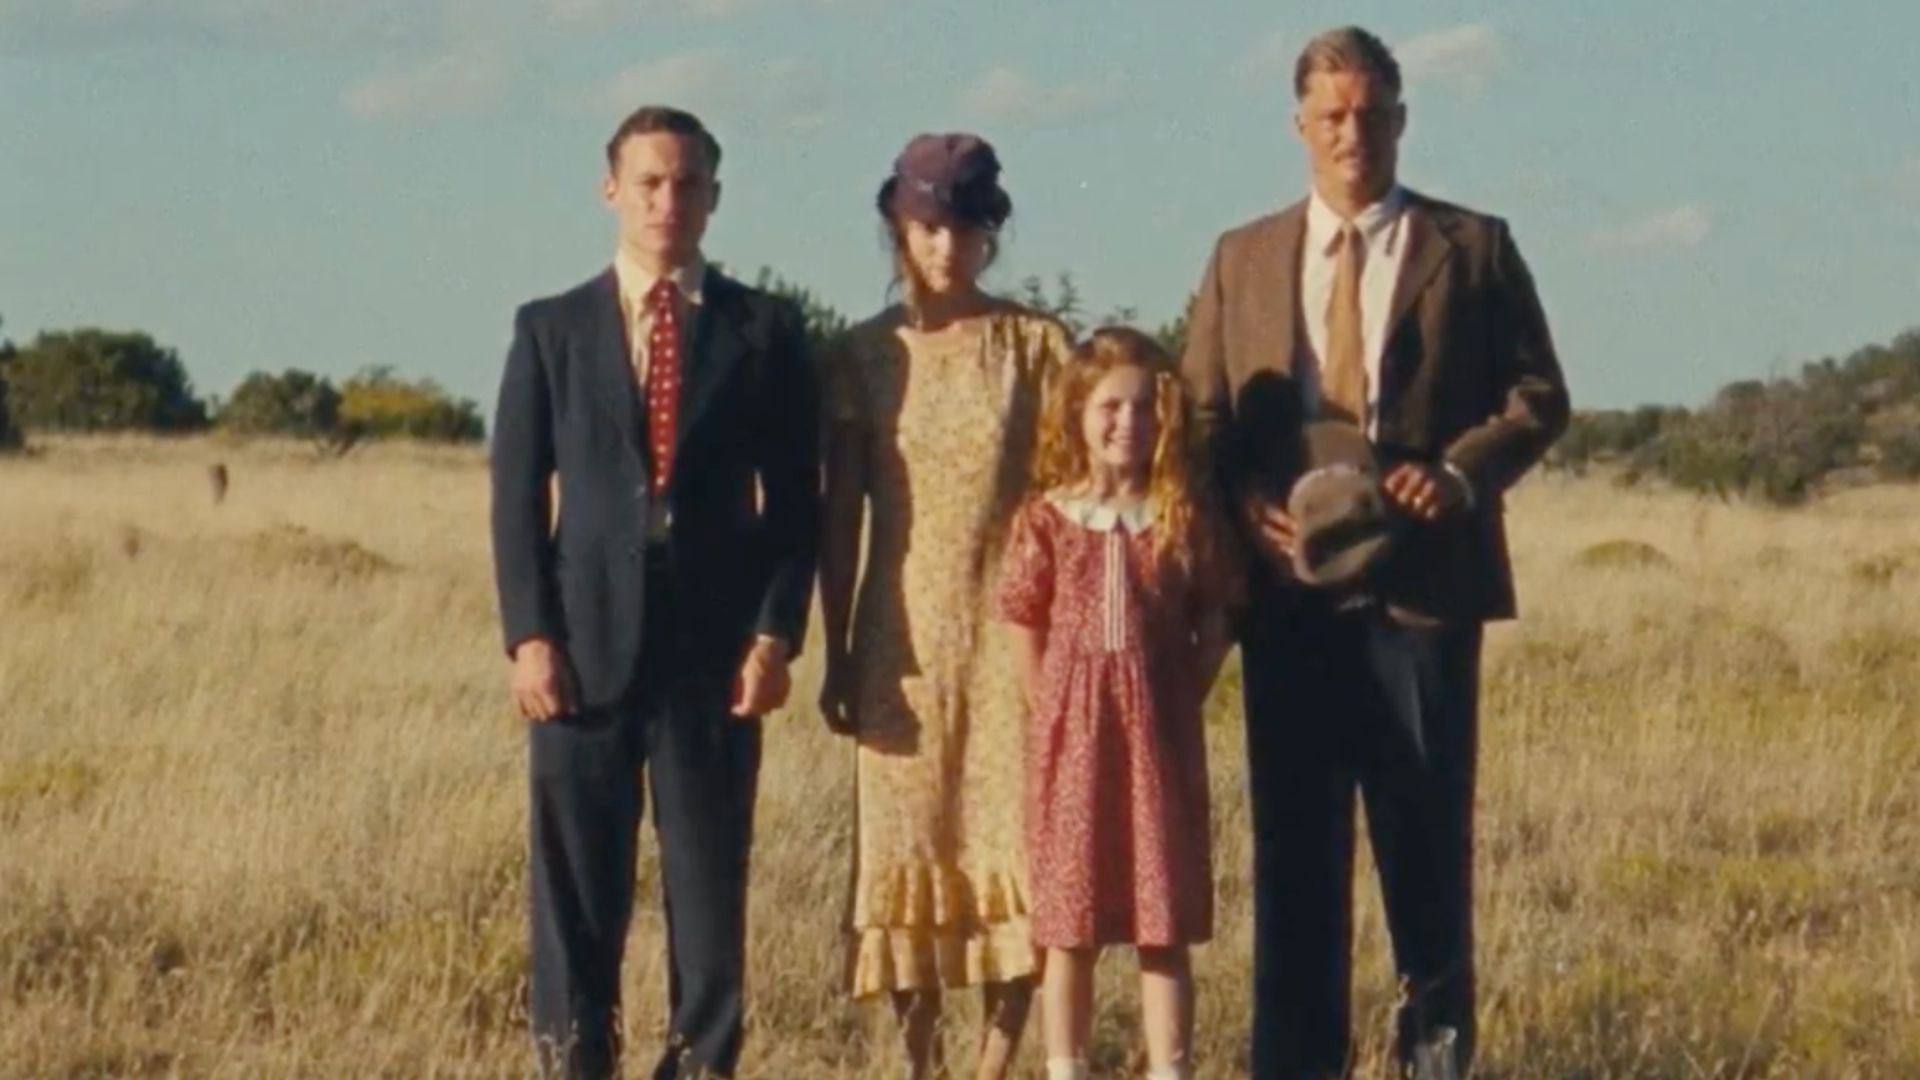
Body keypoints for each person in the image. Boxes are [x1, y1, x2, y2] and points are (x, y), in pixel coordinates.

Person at [1179, 26, 1570, 1080]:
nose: (1352, 132)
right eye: (1332, 115)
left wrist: (1458, 475)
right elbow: (1201, 416)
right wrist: (1243, 500)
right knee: (1295, 858)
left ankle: (1434, 1061)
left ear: (1402, 118)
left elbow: (1538, 397)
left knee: (1425, 852)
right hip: (1288, 600)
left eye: (1370, 112)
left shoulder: (1472, 246)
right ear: (1299, 125)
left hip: (1425, 593)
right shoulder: (1241, 257)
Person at [489, 104, 819, 1080]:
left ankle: (701, 1067)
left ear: (714, 197)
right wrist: (529, 637)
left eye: (687, 183)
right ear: (611, 191)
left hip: (713, 657)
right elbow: (517, 495)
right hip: (580, 654)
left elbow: (796, 503)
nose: (668, 201)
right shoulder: (550, 329)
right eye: (649, 182)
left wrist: (775, 635)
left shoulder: (764, 330)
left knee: (710, 907)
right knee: (576, 903)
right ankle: (575, 1064)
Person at [817, 132, 1072, 1080]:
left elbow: (1067, 498)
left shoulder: (1035, 347)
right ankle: (922, 1063)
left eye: (963, 228)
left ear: (989, 232)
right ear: (898, 226)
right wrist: (838, 647)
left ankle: (995, 1064)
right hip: (901, 640)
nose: (945, 246)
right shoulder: (862, 355)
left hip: (1016, 638)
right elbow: (840, 515)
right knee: (908, 849)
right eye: (928, 226)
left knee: (1018, 852)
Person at [994, 328, 1236, 1080]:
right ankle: (1066, 1066)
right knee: (1070, 927)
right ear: (1077, 412)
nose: (1127, 423)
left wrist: (1182, 692)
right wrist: (1050, 704)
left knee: (1161, 927)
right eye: (1110, 407)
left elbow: (1218, 614)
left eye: (1143, 408)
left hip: (1158, 746)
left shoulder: (1180, 516)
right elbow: (1022, 617)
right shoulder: (1046, 518)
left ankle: (1171, 1068)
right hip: (1072, 749)